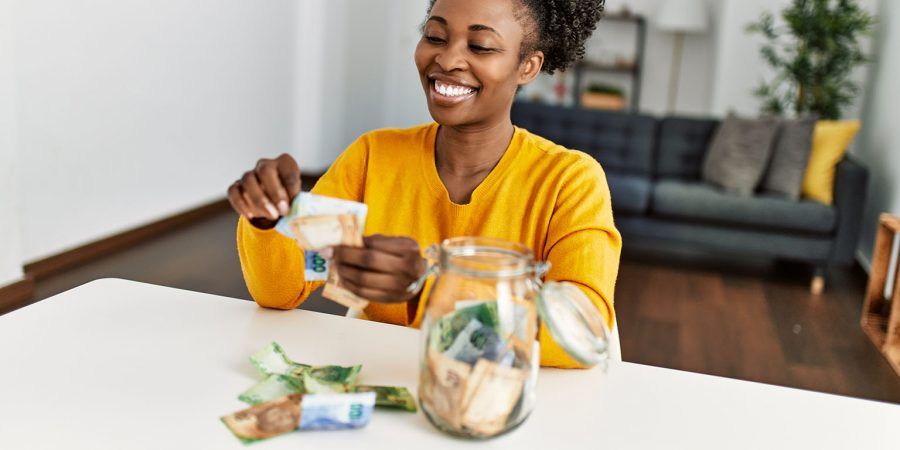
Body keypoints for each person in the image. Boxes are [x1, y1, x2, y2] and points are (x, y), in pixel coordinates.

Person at [227, 0, 619, 368]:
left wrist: (428, 289)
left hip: (496, 405)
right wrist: (266, 219)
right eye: (435, 37)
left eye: (481, 46)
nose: (447, 59)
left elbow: (584, 330)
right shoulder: (373, 156)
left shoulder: (571, 180)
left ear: (528, 66)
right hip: (381, 379)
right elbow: (279, 292)